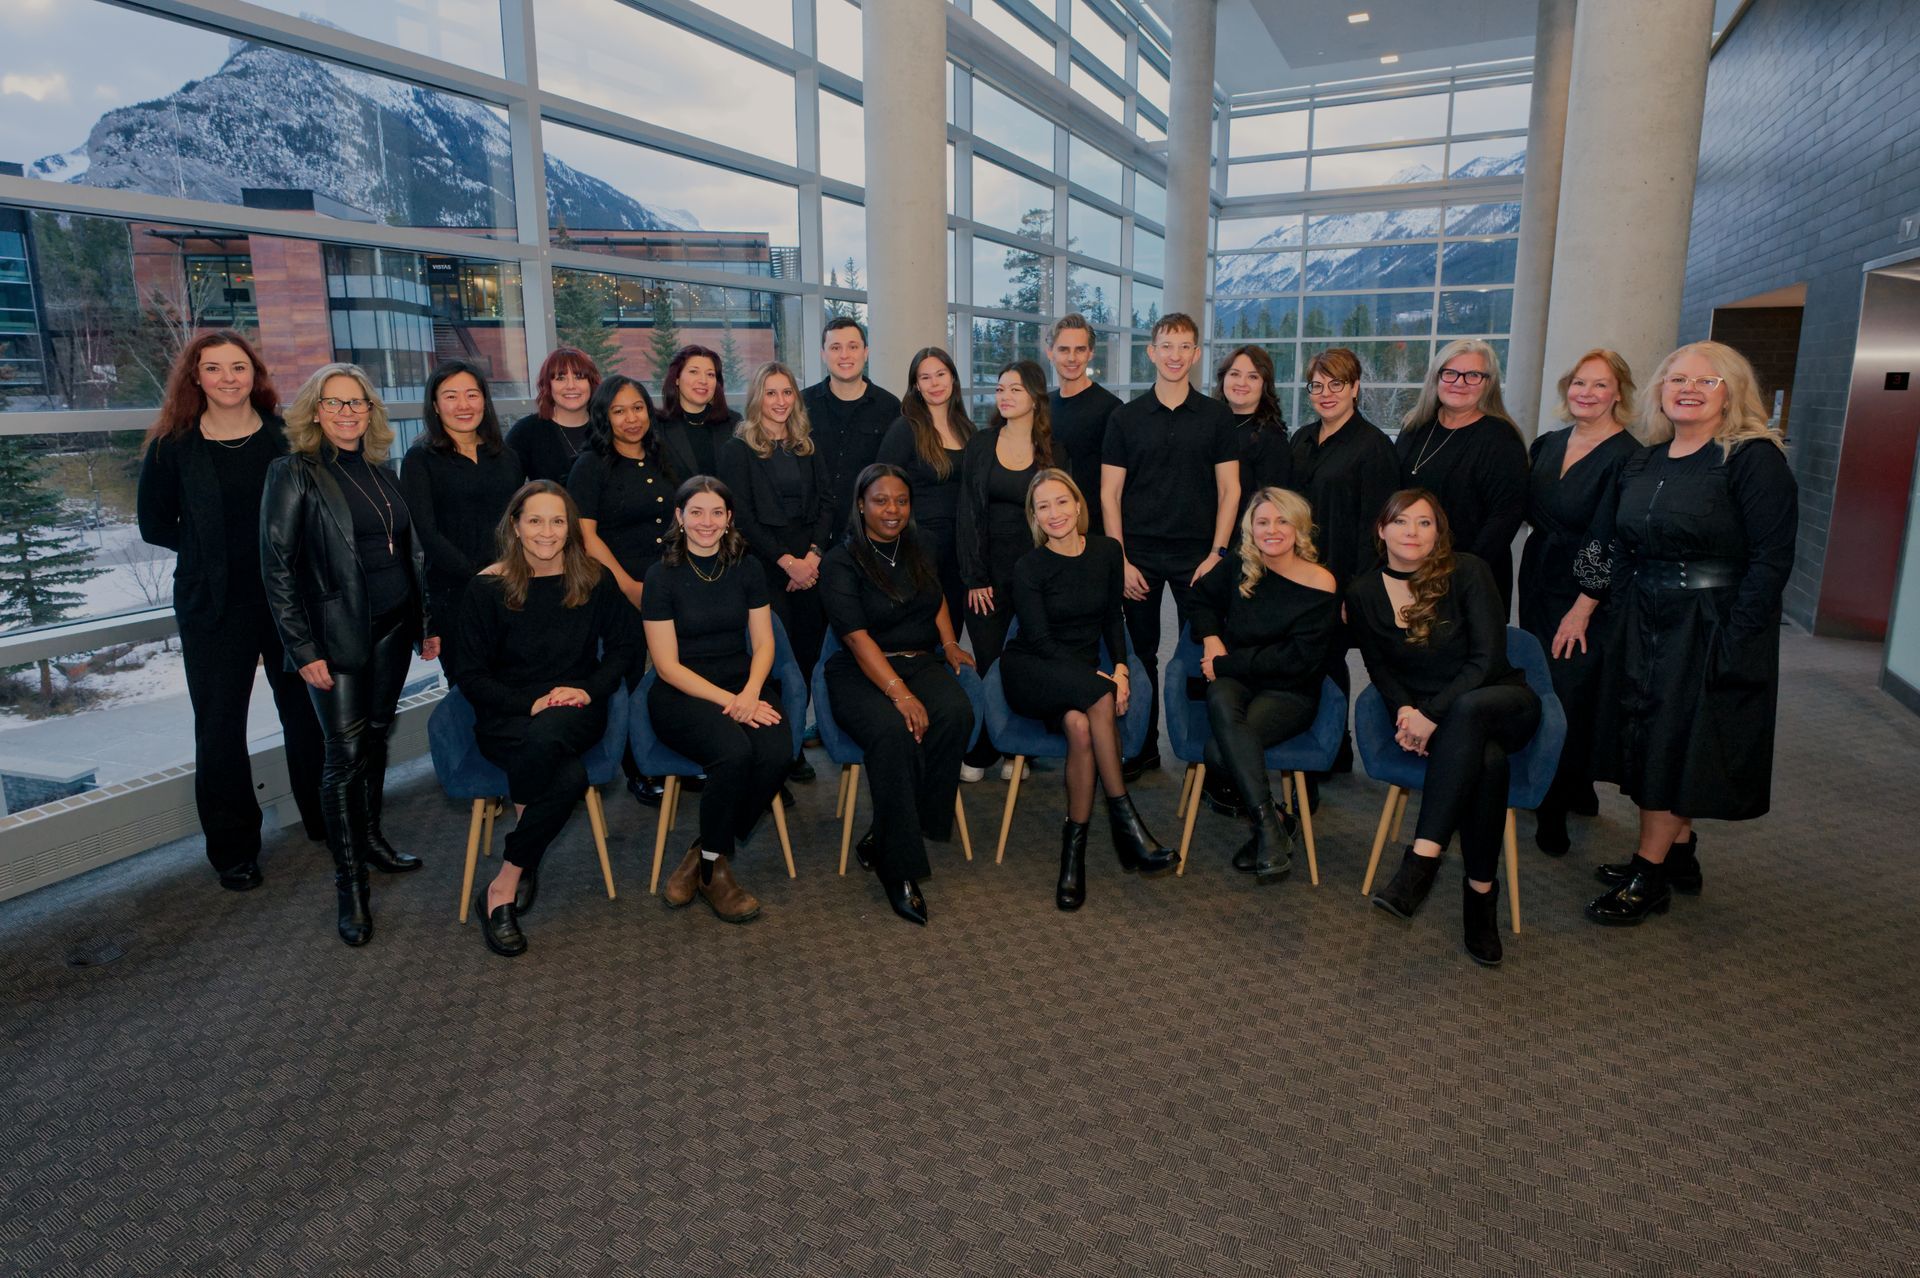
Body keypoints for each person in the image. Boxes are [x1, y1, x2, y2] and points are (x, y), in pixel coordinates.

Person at [1567, 341, 1797, 925]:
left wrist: (1739, 638)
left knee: (1675, 742)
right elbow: (1612, 542)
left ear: (1732, 393)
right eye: (1677, 379)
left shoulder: (1752, 458)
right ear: (1659, 391)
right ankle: (1679, 852)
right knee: (1650, 737)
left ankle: (1651, 874)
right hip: (1642, 616)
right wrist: (1594, 603)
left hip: (1709, 622)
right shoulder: (1644, 459)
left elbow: (1771, 560)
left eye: (1707, 380)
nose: (1688, 389)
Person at [136, 330, 325, 892]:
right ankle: (235, 849)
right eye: (213, 368)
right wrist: (207, 553)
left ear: (255, 374)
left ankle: (323, 819)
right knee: (220, 728)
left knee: (306, 715)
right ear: (195, 377)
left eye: (238, 367)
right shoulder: (173, 446)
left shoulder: (284, 438)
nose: (227, 378)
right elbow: (154, 525)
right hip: (213, 606)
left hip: (287, 601)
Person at [262, 364, 438, 947]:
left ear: (370, 411)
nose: (346, 413)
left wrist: (424, 621)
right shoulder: (293, 473)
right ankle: (350, 885)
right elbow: (277, 569)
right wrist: (301, 647)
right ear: (315, 411)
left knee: (377, 735)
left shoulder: (382, 472)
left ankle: (371, 839)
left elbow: (409, 554)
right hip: (334, 637)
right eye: (333, 404)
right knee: (343, 755)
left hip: (392, 627)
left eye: (356, 403)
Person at [1347, 490, 1540, 967]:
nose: (1413, 532)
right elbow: (1381, 671)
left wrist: (1429, 716)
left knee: (1471, 711)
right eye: (1402, 522)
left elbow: (1487, 659)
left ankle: (1423, 859)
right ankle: (1481, 898)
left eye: (1425, 523)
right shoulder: (1363, 592)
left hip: (1502, 702)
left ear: (1439, 533)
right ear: (1381, 530)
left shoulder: (1468, 571)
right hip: (1450, 728)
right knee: (1488, 763)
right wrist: (1405, 712)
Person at [462, 482, 639, 958]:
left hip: (574, 707)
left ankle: (503, 885)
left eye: (558, 521)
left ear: (570, 527)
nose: (547, 531)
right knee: (570, 777)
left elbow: (626, 646)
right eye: (535, 521)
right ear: (516, 527)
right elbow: (469, 675)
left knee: (550, 739)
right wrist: (527, 705)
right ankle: (523, 855)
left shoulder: (593, 578)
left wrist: (588, 689)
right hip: (508, 712)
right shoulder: (487, 587)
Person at [1000, 470, 1176, 910]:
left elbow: (1112, 618)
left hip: (1082, 672)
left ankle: (1072, 857)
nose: (1055, 513)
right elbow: (1039, 641)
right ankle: (1126, 821)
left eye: (1062, 502)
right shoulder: (1029, 567)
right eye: (1043, 507)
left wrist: (1119, 665)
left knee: (1080, 729)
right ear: (1034, 517)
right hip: (1034, 670)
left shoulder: (1106, 552)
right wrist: (1103, 682)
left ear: (1078, 505)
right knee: (1096, 696)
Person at [820, 464, 977, 926]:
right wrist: (899, 692)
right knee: (891, 733)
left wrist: (949, 643)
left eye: (901, 501)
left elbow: (937, 597)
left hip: (919, 657)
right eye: (881, 501)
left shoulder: (921, 543)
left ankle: (888, 831)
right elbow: (855, 637)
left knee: (956, 714)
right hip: (860, 670)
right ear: (861, 505)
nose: (893, 510)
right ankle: (899, 869)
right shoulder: (840, 560)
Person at [642, 477, 792, 925]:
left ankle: (700, 853)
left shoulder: (746, 567)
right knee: (735, 752)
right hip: (681, 692)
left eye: (716, 513)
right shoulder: (660, 575)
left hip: (740, 682)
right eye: (696, 512)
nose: (706, 522)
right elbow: (666, 665)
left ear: (729, 519)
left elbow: (763, 644)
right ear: (679, 517)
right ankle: (714, 871)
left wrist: (749, 693)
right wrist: (733, 701)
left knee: (778, 752)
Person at [1101, 312, 1241, 778]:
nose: (1175, 355)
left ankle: (1204, 750)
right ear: (1152, 352)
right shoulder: (1125, 417)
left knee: (1201, 654)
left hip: (1198, 556)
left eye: (1185, 346)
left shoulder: (1217, 417)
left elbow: (1231, 490)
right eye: (1167, 345)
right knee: (1140, 655)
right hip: (1137, 554)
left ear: (1196, 354)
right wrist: (1118, 558)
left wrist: (1217, 555)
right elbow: (1109, 494)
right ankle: (1141, 746)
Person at [1517, 349, 1639, 855]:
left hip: (1588, 589)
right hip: (1539, 573)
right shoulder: (1548, 442)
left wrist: (1585, 604)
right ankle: (1574, 784)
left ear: (1619, 393)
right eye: (1579, 383)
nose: (1586, 393)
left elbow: (1612, 536)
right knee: (1541, 678)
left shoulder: (1631, 455)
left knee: (1570, 689)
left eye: (1600, 385)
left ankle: (1553, 802)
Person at [1185, 488, 1339, 882]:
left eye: (1282, 520)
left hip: (1289, 690)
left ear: (1299, 527)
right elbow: (1199, 598)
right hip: (1237, 680)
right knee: (1219, 691)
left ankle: (1270, 824)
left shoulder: (1320, 583)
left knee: (1220, 753)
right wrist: (1212, 639)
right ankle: (1271, 824)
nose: (1272, 530)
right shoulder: (1241, 565)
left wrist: (1225, 662)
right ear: (1250, 529)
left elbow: (1293, 663)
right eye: (1263, 522)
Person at [1286, 347, 1400, 785]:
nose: (1326, 393)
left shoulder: (1374, 447)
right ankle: (1328, 746)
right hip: (1297, 575)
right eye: (1317, 385)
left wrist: (1355, 592)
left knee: (1329, 663)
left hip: (1341, 579)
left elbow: (1378, 529)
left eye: (1337, 384)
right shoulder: (1303, 438)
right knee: (1305, 660)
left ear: (1355, 388)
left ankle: (1331, 747)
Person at [719, 361, 833, 783]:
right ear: (757, 398)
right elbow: (742, 517)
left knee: (805, 655)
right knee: (771, 661)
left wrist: (813, 557)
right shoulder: (738, 448)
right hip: (765, 566)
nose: (780, 401)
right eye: (771, 393)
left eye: (788, 393)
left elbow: (827, 503)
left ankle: (794, 745)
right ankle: (771, 745)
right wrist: (787, 561)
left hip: (810, 564)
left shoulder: (807, 444)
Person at [569, 375, 677, 808]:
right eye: (618, 411)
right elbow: (586, 536)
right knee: (632, 675)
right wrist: (628, 586)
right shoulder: (591, 465)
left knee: (669, 672)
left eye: (637, 408)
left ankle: (670, 752)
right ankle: (637, 767)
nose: (631, 419)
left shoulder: (661, 455)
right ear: (604, 417)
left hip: (668, 582)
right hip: (618, 587)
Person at [958, 359, 1068, 781]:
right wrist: (974, 576)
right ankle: (986, 744)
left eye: (1015, 389)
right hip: (987, 575)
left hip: (1038, 577)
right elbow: (967, 514)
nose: (1004, 396)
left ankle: (1016, 746)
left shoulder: (1056, 451)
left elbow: (1066, 515)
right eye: (1000, 388)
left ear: (1036, 397)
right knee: (989, 661)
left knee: (1026, 660)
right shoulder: (982, 443)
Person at [401, 359, 524, 683]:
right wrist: (480, 576)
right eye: (451, 396)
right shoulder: (420, 459)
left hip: (513, 589)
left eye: (472, 394)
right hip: (456, 599)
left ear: (484, 399)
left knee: (521, 683)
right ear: (435, 405)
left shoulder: (506, 456)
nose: (463, 405)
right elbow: (426, 532)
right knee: (471, 694)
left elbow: (518, 522)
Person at [1394, 338, 1530, 616]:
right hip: (1409, 570)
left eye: (1473, 375)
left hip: (1468, 580)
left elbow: (1504, 519)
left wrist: (1453, 576)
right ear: (1436, 377)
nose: (1460, 382)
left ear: (1488, 383)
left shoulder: (1501, 440)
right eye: (1451, 373)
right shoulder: (1415, 427)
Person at [877, 346, 974, 629]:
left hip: (960, 549)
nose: (935, 384)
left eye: (941, 374)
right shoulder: (905, 429)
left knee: (953, 627)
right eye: (926, 377)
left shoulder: (967, 429)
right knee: (923, 631)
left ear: (953, 379)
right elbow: (880, 488)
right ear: (916, 386)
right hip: (919, 548)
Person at [805, 317, 903, 541]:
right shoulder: (803, 404)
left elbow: (895, 476)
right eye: (835, 347)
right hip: (812, 533)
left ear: (865, 352)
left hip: (869, 532)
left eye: (853, 347)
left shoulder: (889, 407)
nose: (844, 355)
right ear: (823, 354)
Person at [1044, 313, 1121, 534]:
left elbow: (1117, 487)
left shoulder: (1111, 408)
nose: (1072, 358)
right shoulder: (1042, 406)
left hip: (1094, 528)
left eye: (1079, 349)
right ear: (1050, 353)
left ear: (1090, 353)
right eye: (1063, 349)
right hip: (1050, 527)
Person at [505, 346, 601, 484]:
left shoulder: (607, 428)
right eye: (561, 378)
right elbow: (506, 490)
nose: (571, 386)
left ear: (591, 383)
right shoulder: (525, 431)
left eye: (579, 377)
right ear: (548, 386)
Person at [1215, 344, 1292, 511]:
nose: (1242, 383)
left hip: (1243, 535)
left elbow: (1271, 508)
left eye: (1253, 377)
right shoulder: (1209, 425)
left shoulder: (1271, 438)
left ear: (1264, 385)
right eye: (1235, 374)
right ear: (1223, 379)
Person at [654, 344, 739, 478]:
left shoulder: (734, 423)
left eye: (710, 374)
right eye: (694, 372)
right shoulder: (657, 426)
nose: (703, 381)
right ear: (676, 378)